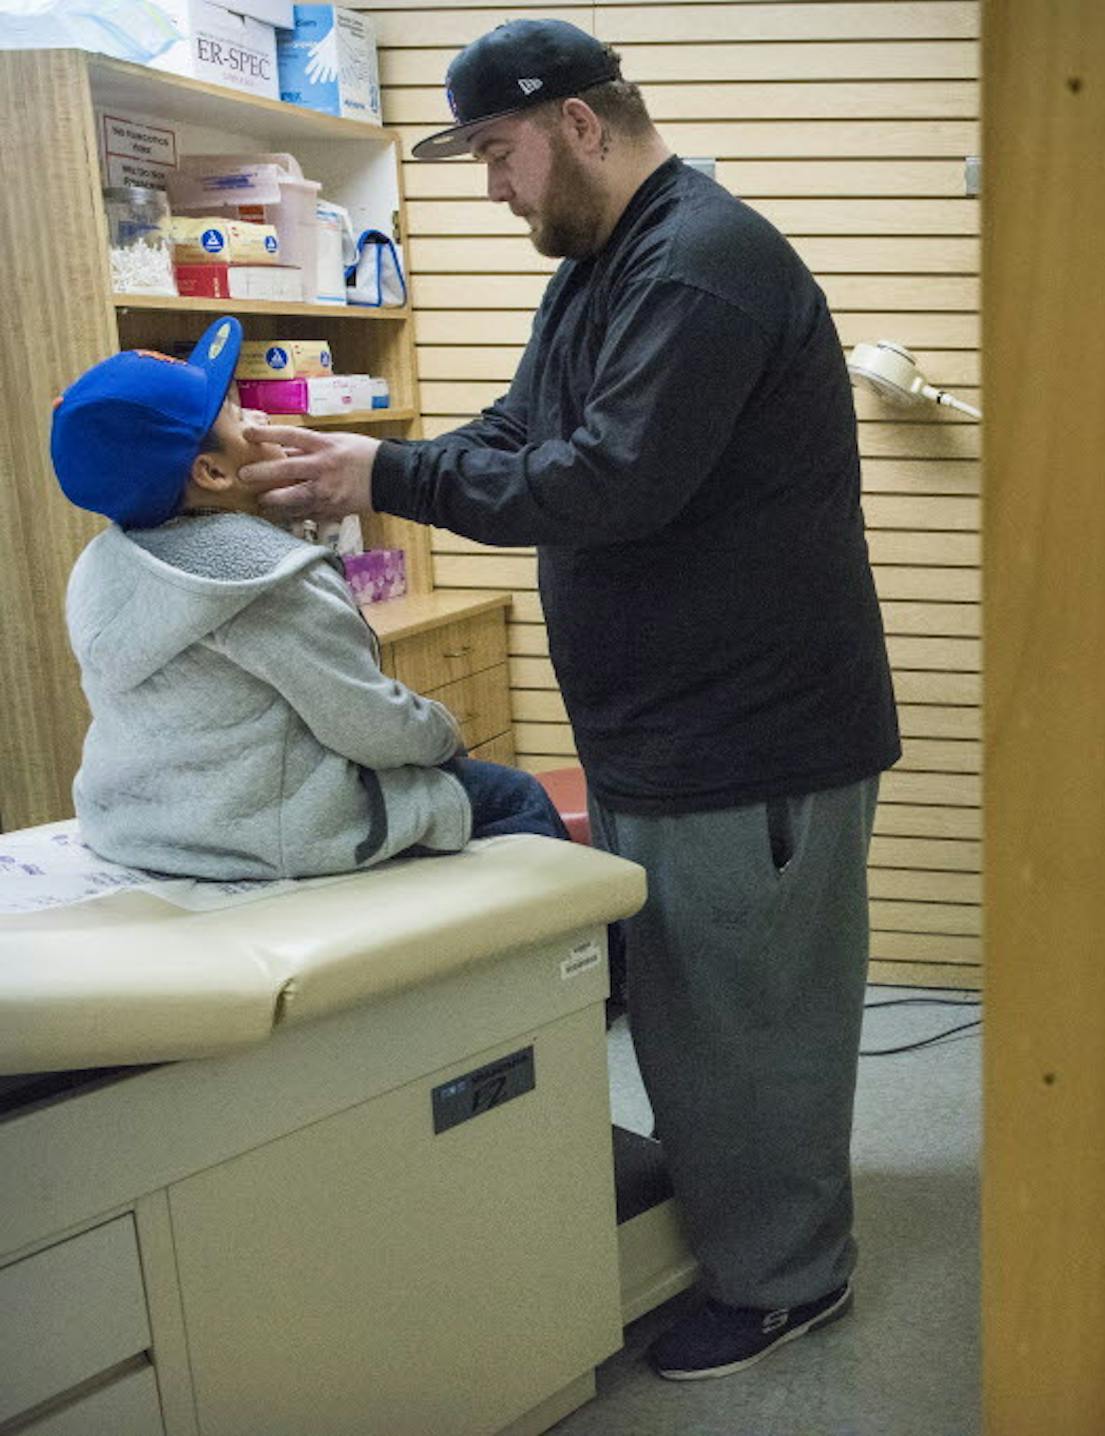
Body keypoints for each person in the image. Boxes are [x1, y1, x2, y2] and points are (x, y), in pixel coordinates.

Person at [233, 20, 902, 1379]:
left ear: (583, 126)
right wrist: (382, 455)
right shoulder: (606, 268)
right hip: (676, 729)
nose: (492, 188)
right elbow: (518, 426)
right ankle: (752, 1222)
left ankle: (790, 1279)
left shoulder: (702, 269)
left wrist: (380, 485)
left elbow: (608, 481)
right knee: (699, 1016)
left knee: (751, 1026)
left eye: (498, 154)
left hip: (751, 737)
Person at [48, 319, 566, 880]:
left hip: (140, 829)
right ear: (213, 472)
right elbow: (370, 727)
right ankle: (607, 964)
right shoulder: (268, 580)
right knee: (517, 795)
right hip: (270, 833)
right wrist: (443, 734)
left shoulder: (101, 565)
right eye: (237, 415)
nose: (261, 418)